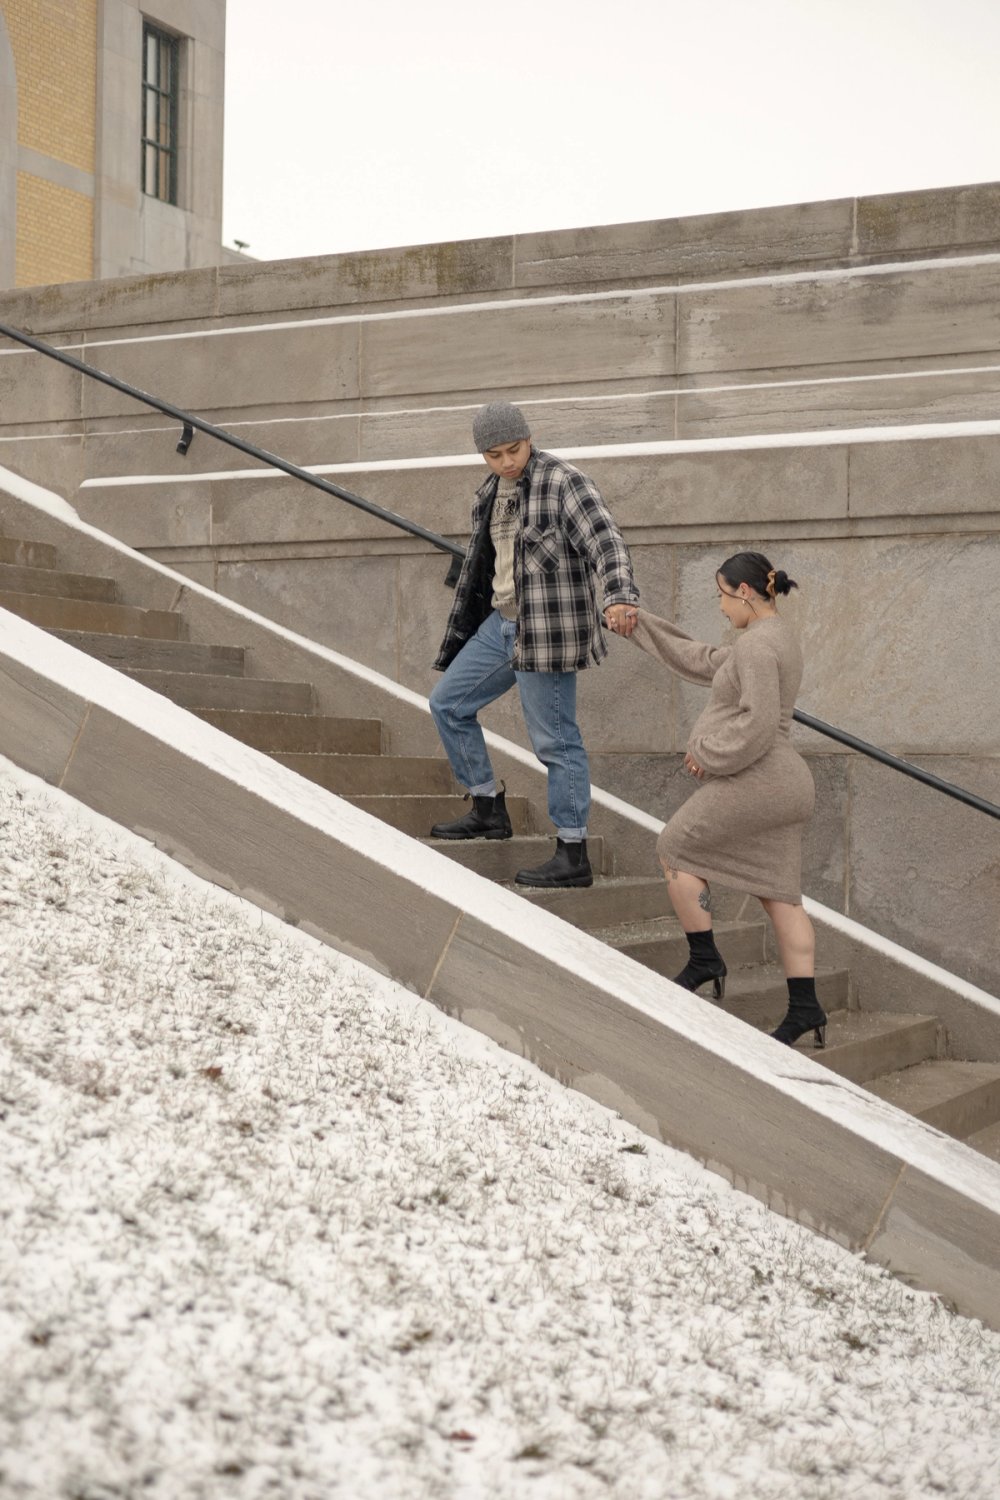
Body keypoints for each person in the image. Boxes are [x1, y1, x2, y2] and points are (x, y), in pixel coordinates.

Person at [613, 551, 826, 1048]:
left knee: (676, 849)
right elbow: (701, 658)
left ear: (746, 592)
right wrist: (640, 624)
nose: (721, 606)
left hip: (763, 778)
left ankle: (705, 957)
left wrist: (709, 756)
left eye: (722, 596)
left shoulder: (755, 648)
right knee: (780, 896)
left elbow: (756, 723)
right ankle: (806, 1008)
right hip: (787, 784)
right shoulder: (776, 639)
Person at [428, 400, 639, 889]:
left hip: (545, 629)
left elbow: (607, 542)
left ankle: (572, 850)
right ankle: (485, 807)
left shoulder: (563, 482)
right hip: (500, 626)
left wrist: (620, 596)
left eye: (514, 449)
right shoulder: (489, 493)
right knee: (448, 704)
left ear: (529, 437)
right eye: (495, 454)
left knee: (555, 740)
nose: (507, 461)